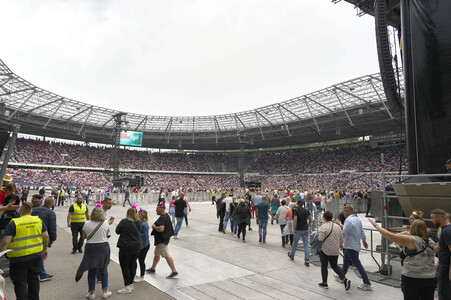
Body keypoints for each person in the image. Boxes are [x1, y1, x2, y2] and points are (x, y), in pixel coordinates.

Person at [369, 218, 436, 299]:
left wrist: (376, 225)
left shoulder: (411, 240)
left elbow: (390, 236)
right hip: (430, 277)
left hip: (412, 277)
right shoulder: (431, 242)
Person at [0, 202, 49, 300]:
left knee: (20, 282)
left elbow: (5, 242)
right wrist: (45, 249)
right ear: (31, 211)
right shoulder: (38, 221)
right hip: (35, 256)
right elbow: (46, 236)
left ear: (20, 211)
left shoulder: (14, 223)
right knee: (34, 279)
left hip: (18, 259)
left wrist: (0, 254)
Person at [75, 207, 112, 300]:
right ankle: (105, 291)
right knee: (103, 268)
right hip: (103, 247)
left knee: (91, 269)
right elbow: (107, 235)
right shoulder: (106, 223)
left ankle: (92, 293)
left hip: (91, 247)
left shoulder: (87, 224)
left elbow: (84, 236)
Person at [339, 205, 371, 291]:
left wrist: (339, 242)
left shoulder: (348, 221)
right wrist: (363, 240)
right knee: (345, 261)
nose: (343, 212)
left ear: (349, 211)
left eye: (344, 211)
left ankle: (367, 282)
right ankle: (342, 276)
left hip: (350, 246)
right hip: (353, 245)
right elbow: (361, 231)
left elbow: (344, 232)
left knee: (357, 264)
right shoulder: (357, 219)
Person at [317, 211, 350, 290]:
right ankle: (345, 279)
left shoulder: (323, 227)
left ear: (324, 218)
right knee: (334, 265)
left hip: (325, 249)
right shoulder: (337, 226)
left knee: (324, 266)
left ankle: (324, 283)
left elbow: (320, 238)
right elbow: (341, 238)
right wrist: (341, 245)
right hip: (335, 249)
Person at [147, 204, 178, 278]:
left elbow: (161, 229)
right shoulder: (166, 215)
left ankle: (174, 271)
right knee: (157, 254)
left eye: (157, 209)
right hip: (162, 239)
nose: (156, 210)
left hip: (162, 240)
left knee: (166, 254)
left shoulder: (162, 218)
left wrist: (154, 227)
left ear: (161, 209)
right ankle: (153, 268)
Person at [116, 207, 141, 294]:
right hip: (136, 246)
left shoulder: (124, 222)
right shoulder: (138, 222)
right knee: (132, 265)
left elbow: (117, 231)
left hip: (126, 247)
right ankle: (130, 284)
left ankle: (127, 286)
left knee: (125, 266)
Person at [32, 197, 57, 282]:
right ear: (51, 204)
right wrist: (53, 239)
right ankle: (42, 274)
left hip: (31, 234)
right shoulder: (51, 213)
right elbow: (52, 228)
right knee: (41, 254)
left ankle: (38, 273)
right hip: (42, 236)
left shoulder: (34, 209)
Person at [430, 208, 451, 299]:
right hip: (444, 266)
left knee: (444, 294)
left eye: (432, 218)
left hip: (446, 270)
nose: (431, 221)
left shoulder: (446, 231)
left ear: (439, 218)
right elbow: (443, 248)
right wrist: (439, 261)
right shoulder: (445, 230)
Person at [288, 200, 312, 266]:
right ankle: (307, 259)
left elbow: (295, 219)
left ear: (297, 204)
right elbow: (310, 219)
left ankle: (292, 255)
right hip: (305, 228)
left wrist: (293, 228)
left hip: (298, 228)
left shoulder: (296, 210)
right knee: (306, 245)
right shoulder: (306, 210)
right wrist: (308, 225)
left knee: (295, 242)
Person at [134, 209, 150, 283]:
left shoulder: (144, 225)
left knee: (141, 260)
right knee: (135, 260)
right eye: (138, 213)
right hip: (140, 245)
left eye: (139, 214)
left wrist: (136, 232)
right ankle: (135, 274)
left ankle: (142, 276)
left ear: (143, 216)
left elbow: (145, 236)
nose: (138, 215)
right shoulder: (140, 223)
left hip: (144, 246)